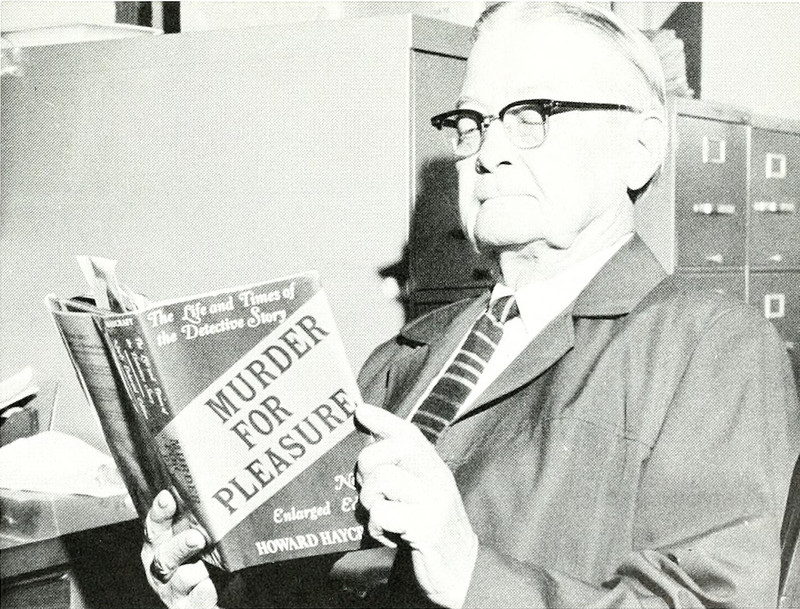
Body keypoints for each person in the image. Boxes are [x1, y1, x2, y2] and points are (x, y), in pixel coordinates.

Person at [140, 2, 800, 607]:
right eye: (471, 123)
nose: (488, 153)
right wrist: (218, 594)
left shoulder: (712, 349)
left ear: (641, 148)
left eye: (532, 116)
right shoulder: (402, 360)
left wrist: (469, 572)